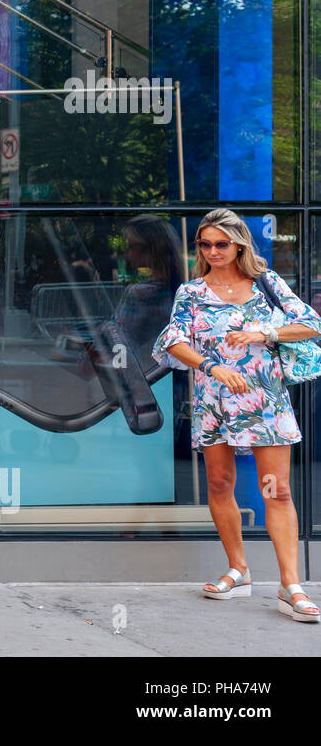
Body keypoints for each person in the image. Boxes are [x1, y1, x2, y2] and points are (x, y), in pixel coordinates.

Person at [153, 208, 320, 623]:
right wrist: (212, 367)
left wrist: (264, 333)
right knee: (219, 482)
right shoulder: (191, 292)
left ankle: (291, 585)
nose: (212, 251)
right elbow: (172, 340)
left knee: (276, 490)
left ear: (239, 244)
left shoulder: (266, 283)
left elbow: (311, 324)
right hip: (215, 399)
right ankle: (239, 569)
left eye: (221, 243)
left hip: (265, 400)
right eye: (205, 244)